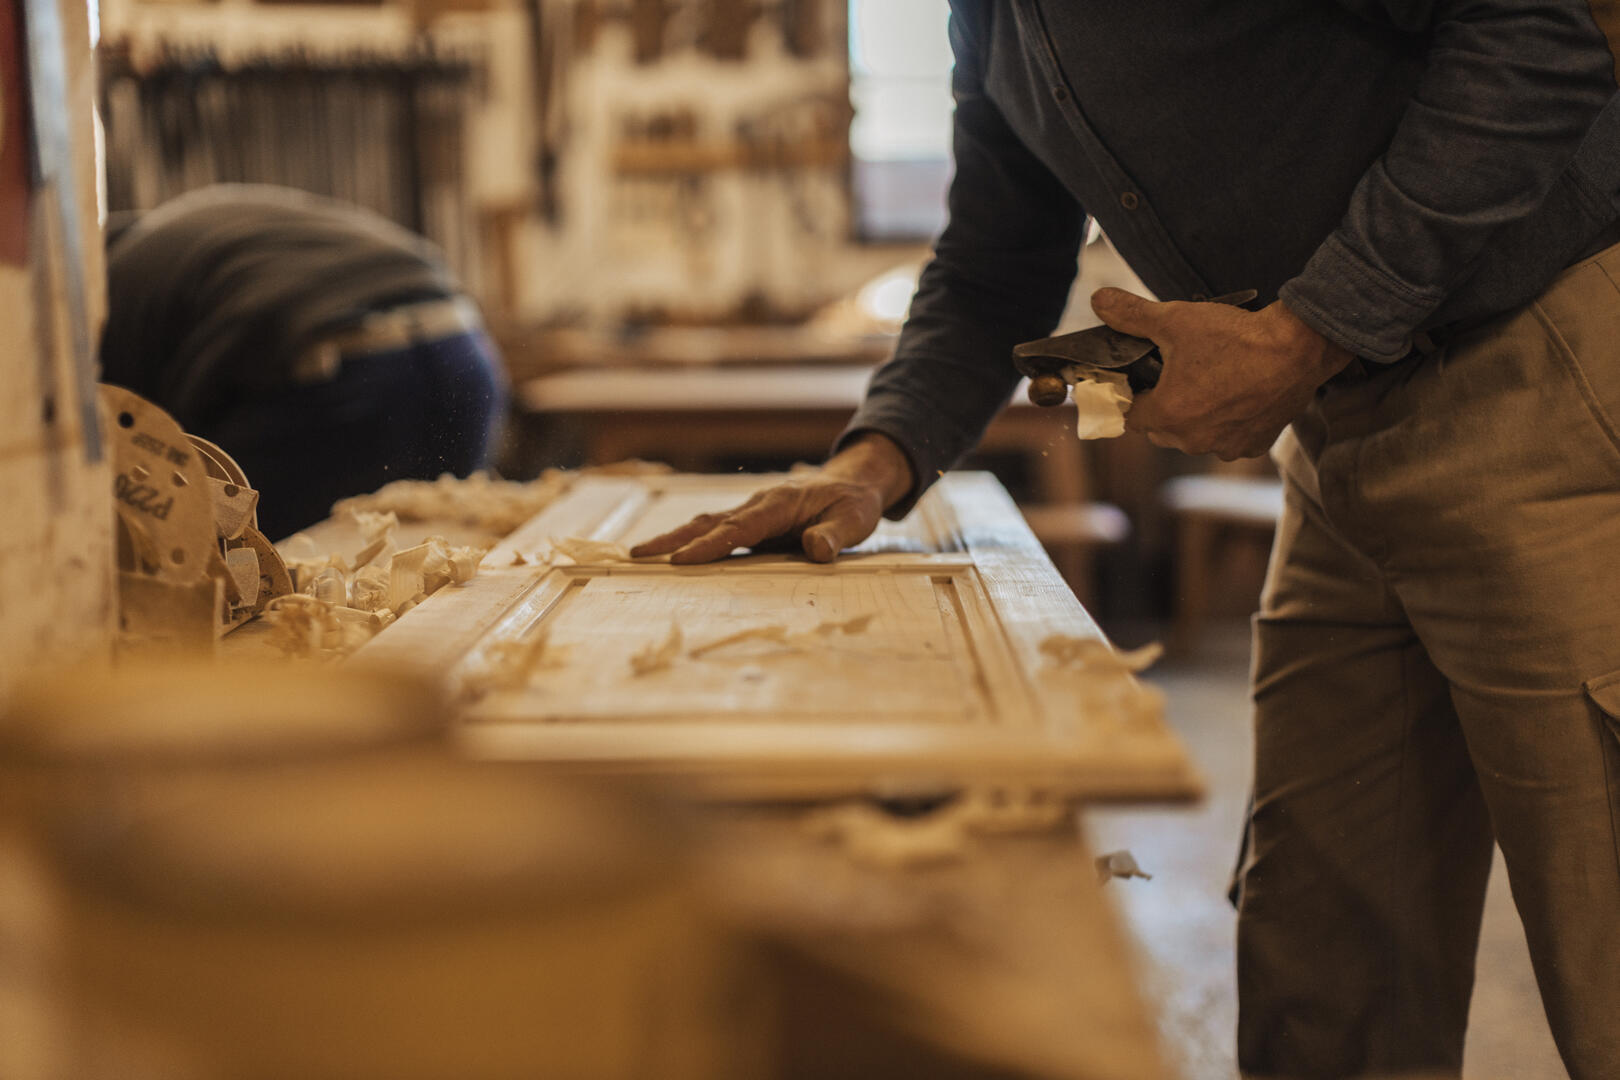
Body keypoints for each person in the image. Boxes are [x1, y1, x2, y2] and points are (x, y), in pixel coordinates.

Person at [633, 4, 1620, 1077]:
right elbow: (992, 266)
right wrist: (870, 466)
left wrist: (1308, 331)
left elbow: (1541, 30)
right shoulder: (992, 21)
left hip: (1543, 372)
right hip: (1343, 434)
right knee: (1324, 974)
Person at [100, 184, 507, 539]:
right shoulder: (182, 234)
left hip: (340, 376)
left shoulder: (105, 288)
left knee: (269, 587)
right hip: (461, 349)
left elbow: (136, 439)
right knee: (439, 556)